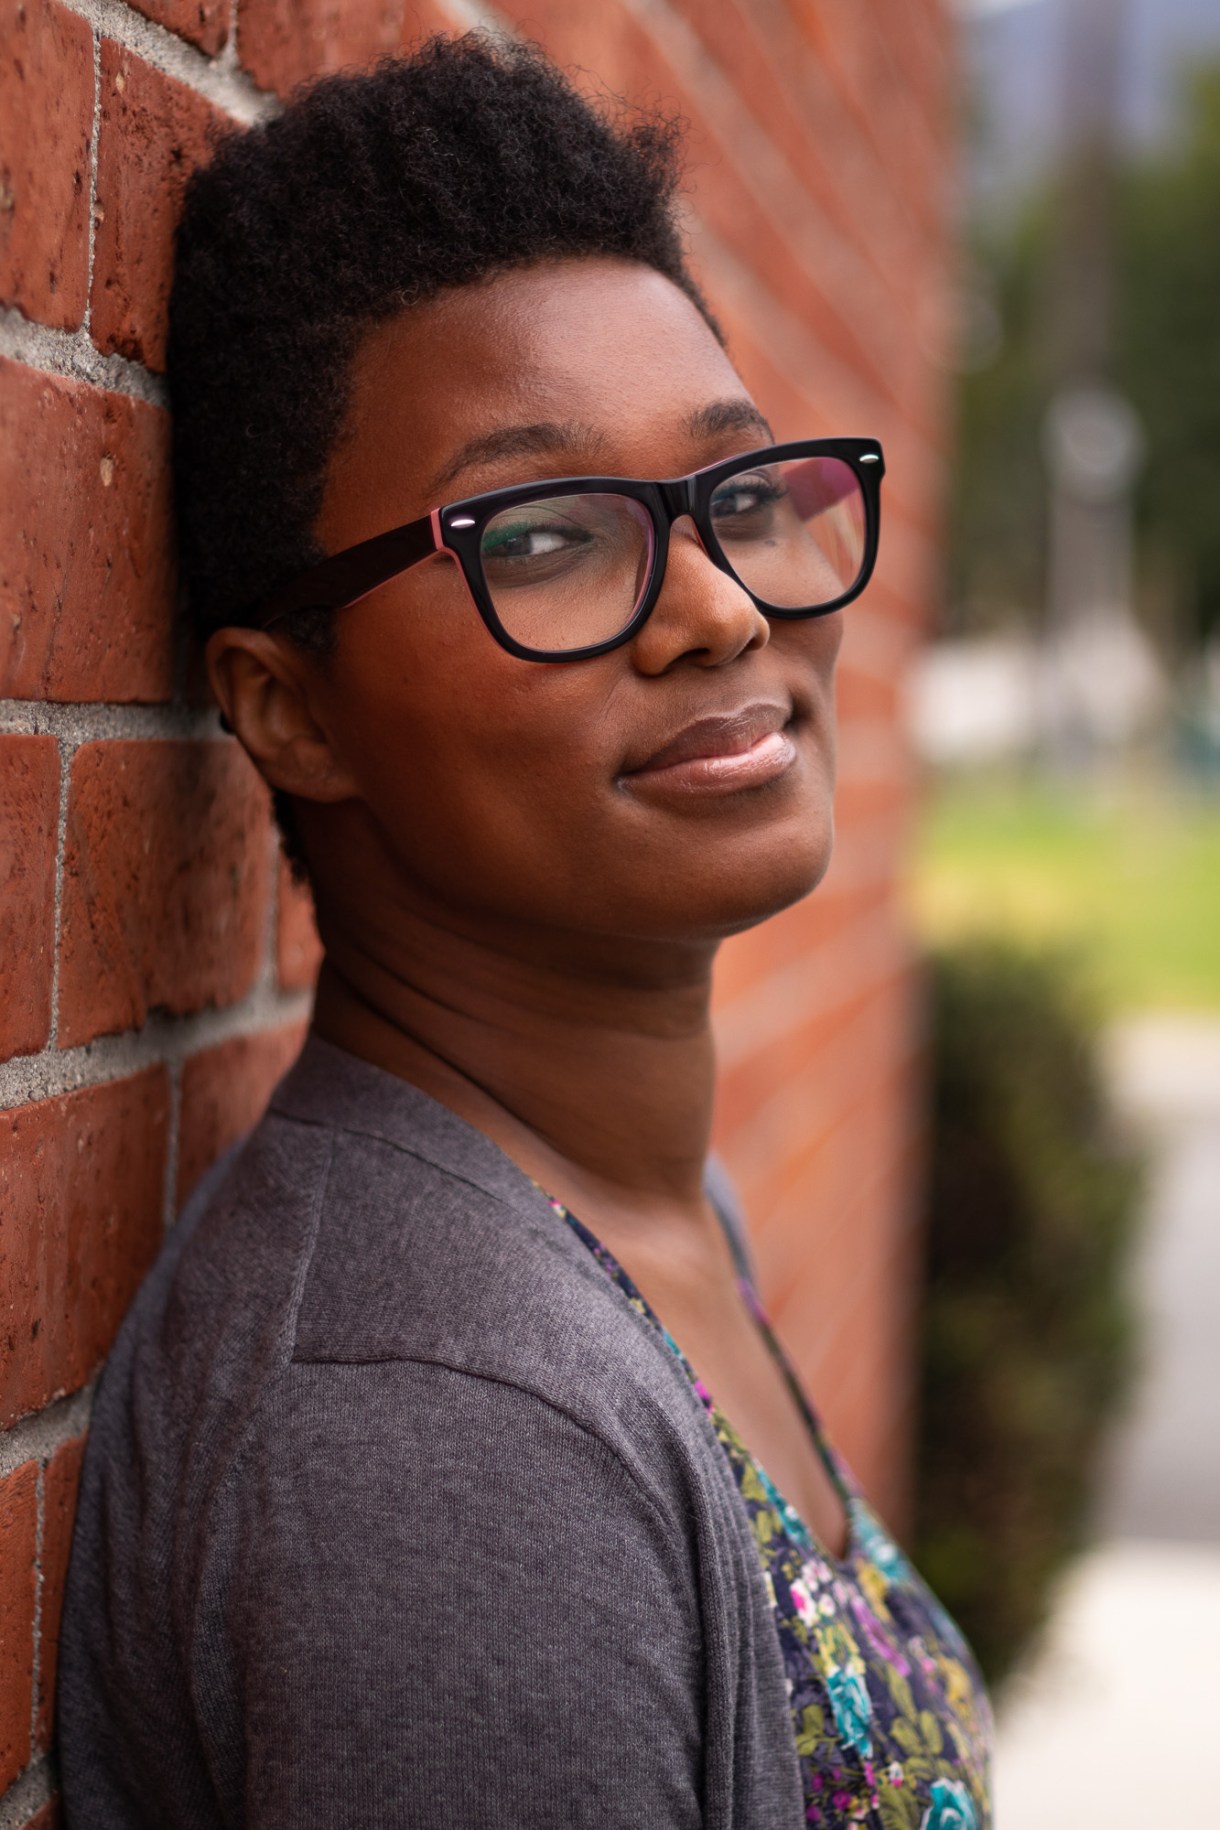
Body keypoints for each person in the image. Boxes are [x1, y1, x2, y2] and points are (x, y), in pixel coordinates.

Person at [58, 34, 992, 1829]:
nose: (719, 607)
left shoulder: (637, 1213)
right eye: (547, 536)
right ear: (290, 709)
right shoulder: (440, 1427)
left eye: (737, 492)